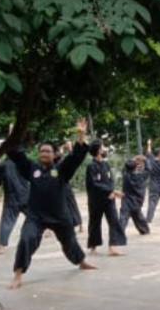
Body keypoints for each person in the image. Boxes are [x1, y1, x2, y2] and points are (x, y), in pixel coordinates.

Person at [6, 118, 96, 289]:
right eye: (41, 152)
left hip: (60, 216)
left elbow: (75, 157)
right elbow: (18, 156)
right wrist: (12, 135)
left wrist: (81, 134)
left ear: (55, 154)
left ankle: (82, 261)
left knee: (70, 241)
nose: (44, 154)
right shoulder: (32, 169)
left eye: (47, 151)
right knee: (26, 239)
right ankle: (18, 274)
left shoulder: (61, 170)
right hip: (35, 217)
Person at [86, 138, 127, 255]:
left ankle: (112, 247)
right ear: (98, 150)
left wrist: (112, 191)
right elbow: (94, 184)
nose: (105, 149)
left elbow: (110, 180)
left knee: (114, 220)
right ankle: (93, 247)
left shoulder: (106, 164)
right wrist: (111, 190)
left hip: (109, 199)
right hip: (96, 200)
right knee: (95, 223)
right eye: (103, 147)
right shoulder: (91, 167)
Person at [0, 153, 29, 255]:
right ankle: (50, 228)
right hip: (26, 195)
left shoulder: (3, 165)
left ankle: (1, 247)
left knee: (7, 221)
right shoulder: (25, 163)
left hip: (12, 197)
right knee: (36, 215)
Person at [119, 155, 151, 235]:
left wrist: (133, 159)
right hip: (137, 200)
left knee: (124, 217)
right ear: (136, 167)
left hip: (126, 199)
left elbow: (124, 169)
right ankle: (145, 229)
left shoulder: (125, 176)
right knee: (138, 215)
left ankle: (119, 232)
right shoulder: (141, 176)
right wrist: (145, 159)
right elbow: (148, 169)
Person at [56, 141, 84, 233]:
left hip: (65, 186)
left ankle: (80, 225)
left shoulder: (62, 161)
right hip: (58, 187)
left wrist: (69, 148)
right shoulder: (54, 162)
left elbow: (72, 159)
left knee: (72, 205)